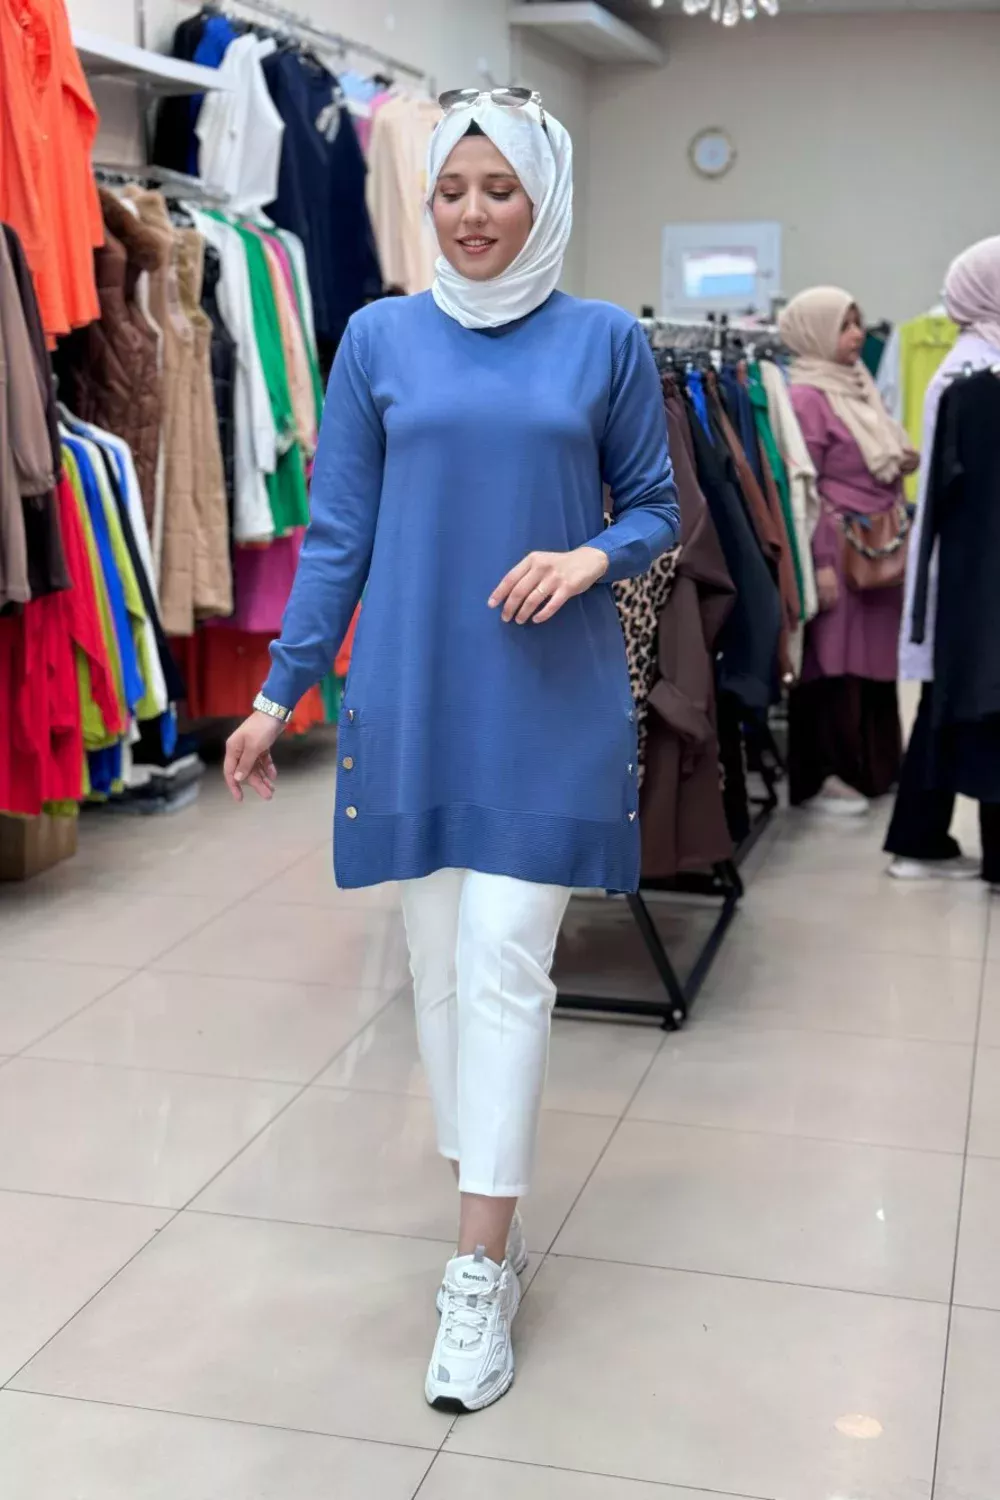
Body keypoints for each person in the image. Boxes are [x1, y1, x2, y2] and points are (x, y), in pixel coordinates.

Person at [222, 89, 679, 1413]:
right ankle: (491, 1191)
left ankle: (477, 1269)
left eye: (500, 188)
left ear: (545, 197)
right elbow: (339, 534)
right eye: (453, 191)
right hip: (414, 694)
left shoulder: (603, 341)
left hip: (549, 698)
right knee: (435, 972)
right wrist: (278, 694)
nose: (472, 214)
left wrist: (589, 555)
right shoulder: (377, 337)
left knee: (502, 964)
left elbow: (657, 507)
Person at [885, 235, 1000, 883]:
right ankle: (921, 841)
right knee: (963, 701)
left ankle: (920, 838)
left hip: (968, 568)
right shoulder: (969, 373)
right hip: (968, 571)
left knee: (952, 702)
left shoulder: (979, 361)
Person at [778, 288, 918, 815]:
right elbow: (806, 493)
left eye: (857, 323)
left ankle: (877, 768)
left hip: (877, 546)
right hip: (837, 548)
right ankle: (826, 777)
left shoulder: (857, 385)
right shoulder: (806, 397)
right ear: (814, 332)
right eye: (844, 325)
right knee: (832, 662)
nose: (857, 335)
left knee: (876, 661)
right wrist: (817, 565)